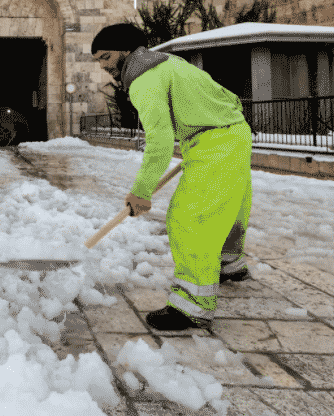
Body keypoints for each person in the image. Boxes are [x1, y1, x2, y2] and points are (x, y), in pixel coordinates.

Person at [91, 23, 253, 331]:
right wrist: (213, 129)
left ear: (126, 51)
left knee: (189, 218)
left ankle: (193, 305)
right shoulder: (171, 63)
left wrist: (141, 192)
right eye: (98, 60)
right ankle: (229, 265)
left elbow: (160, 143)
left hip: (214, 144)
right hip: (233, 134)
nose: (103, 67)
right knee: (227, 209)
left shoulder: (143, 79)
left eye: (106, 57)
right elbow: (230, 98)